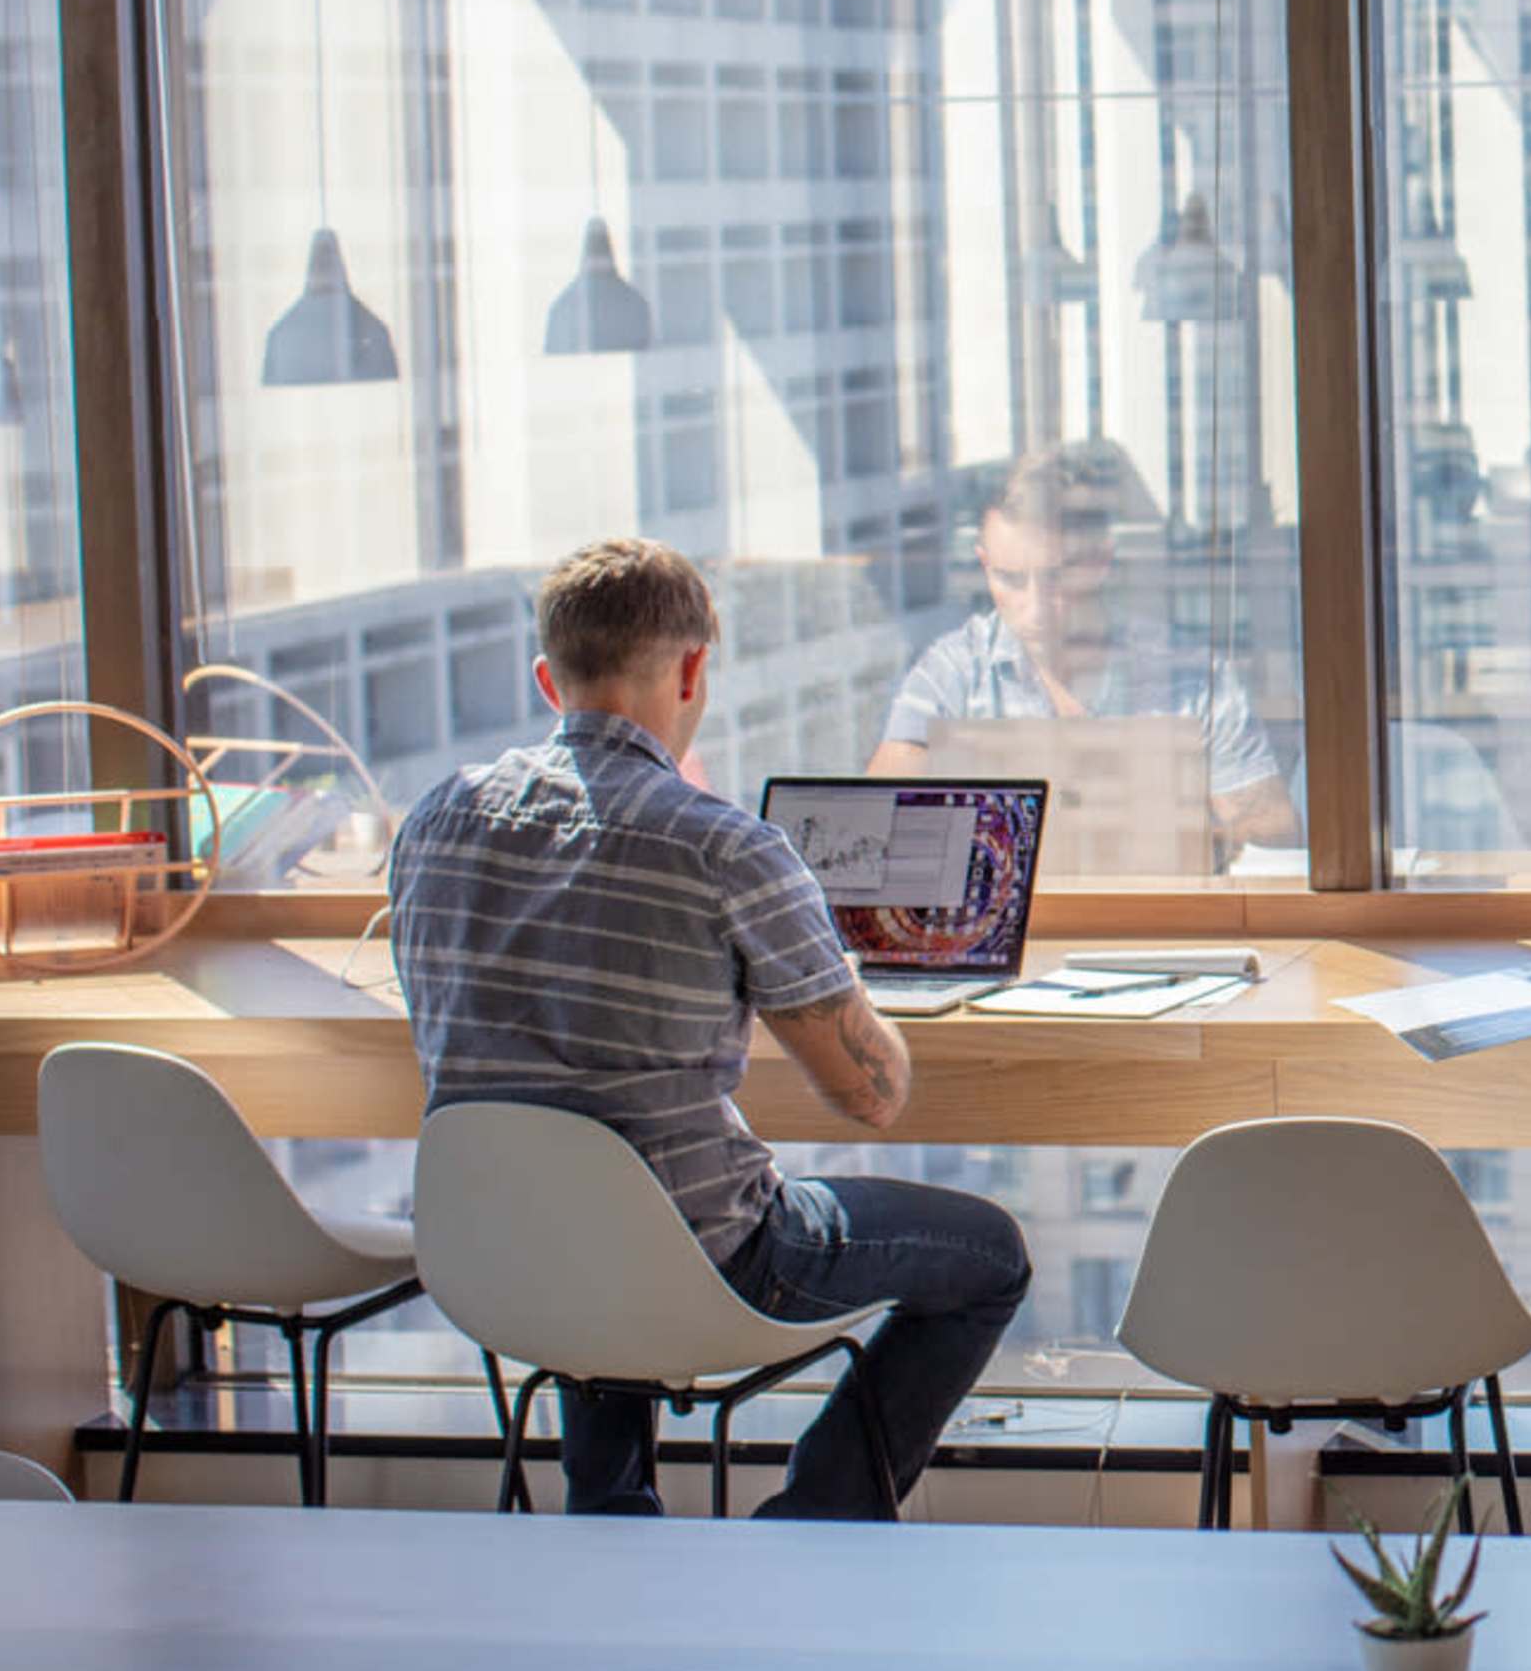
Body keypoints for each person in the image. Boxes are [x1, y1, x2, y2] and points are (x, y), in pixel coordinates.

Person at [395, 537, 1030, 1519]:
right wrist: (833, 972)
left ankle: (611, 1520)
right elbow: (873, 1096)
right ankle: (817, 1518)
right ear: (694, 668)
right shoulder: (722, 846)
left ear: (546, 679)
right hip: (706, 1258)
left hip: (500, 1254)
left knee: (587, 1204)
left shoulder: (437, 817)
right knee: (990, 1255)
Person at [868, 443, 1300, 852]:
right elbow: (877, 820)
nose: (1034, 608)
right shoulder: (953, 672)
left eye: (1057, 577)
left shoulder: (1190, 675)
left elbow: (1275, 830)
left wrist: (1183, 835)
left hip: (1154, 919)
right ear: (984, 564)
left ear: (1102, 561)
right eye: (1010, 579)